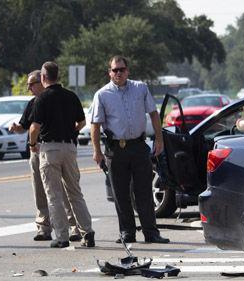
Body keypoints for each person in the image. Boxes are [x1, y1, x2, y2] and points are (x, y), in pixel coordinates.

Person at [90, 56, 169, 244]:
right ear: (109, 72)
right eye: (114, 70)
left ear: (128, 70)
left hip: (139, 146)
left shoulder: (140, 88)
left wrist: (159, 140)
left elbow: (154, 113)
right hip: (116, 149)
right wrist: (97, 151)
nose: (118, 73)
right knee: (121, 194)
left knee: (144, 192)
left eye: (121, 69)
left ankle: (151, 232)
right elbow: (95, 125)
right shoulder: (102, 94)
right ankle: (127, 232)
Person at [27, 61, 95, 248]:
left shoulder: (42, 99)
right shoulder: (71, 96)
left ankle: (62, 236)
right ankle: (87, 232)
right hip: (70, 149)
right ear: (58, 76)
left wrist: (32, 144)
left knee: (54, 195)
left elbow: (34, 127)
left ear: (43, 77)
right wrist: (71, 130)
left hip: (50, 149)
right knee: (75, 192)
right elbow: (81, 122)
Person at [9, 70, 81, 243]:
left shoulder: (61, 98)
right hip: (37, 150)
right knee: (40, 190)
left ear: (43, 80)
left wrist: (70, 134)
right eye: (28, 84)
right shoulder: (34, 103)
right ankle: (44, 227)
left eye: (32, 83)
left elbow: (79, 121)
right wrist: (17, 128)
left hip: (55, 148)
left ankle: (73, 227)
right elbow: (26, 125)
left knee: (65, 191)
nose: (29, 88)